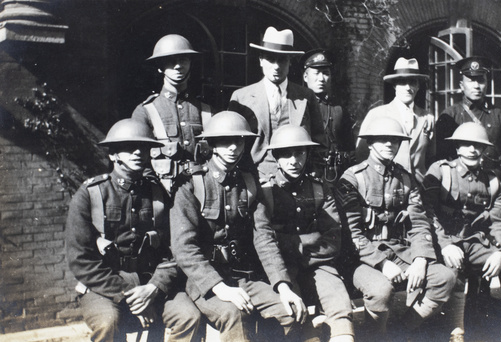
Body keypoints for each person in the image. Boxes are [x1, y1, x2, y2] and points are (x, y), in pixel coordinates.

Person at [170, 111, 308, 342]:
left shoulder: (249, 182)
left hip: (244, 277)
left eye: (239, 140)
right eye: (225, 140)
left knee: (289, 311)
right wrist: (219, 287)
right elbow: (184, 248)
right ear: (213, 144)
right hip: (205, 282)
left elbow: (263, 237)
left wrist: (282, 285)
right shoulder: (192, 183)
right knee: (235, 315)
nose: (233, 147)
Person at [66, 119, 202, 342]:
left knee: (189, 316)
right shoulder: (90, 194)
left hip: (151, 283)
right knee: (107, 322)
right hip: (104, 286)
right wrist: (129, 296)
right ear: (113, 155)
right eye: (129, 147)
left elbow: (175, 248)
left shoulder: (158, 194)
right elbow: (80, 260)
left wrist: (154, 287)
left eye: (144, 147)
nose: (138, 152)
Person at [335, 117, 455, 339]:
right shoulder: (352, 178)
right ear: (370, 143)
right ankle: (375, 336)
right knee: (381, 290)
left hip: (400, 251)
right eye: (382, 140)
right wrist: (382, 263)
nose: (389, 144)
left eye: (394, 140)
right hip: (362, 258)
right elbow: (352, 234)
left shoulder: (406, 179)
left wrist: (420, 259)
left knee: (444, 278)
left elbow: (419, 222)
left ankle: (401, 331)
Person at [422, 122, 501, 342]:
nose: (472, 150)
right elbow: (427, 212)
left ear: (484, 150)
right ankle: (456, 332)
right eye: (466, 145)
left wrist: (500, 251)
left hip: (475, 245)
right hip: (441, 242)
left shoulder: (492, 181)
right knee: (452, 267)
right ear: (457, 148)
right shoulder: (441, 171)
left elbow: (500, 221)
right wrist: (445, 245)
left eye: (478, 146)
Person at [265, 125, 354, 342]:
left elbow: (333, 239)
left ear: (307, 154)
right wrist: (310, 240)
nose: (294, 160)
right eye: (286, 154)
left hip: (319, 266)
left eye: (300, 153)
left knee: (341, 311)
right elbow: (265, 240)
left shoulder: (320, 189)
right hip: (283, 269)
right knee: (294, 316)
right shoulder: (267, 191)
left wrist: (293, 245)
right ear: (276, 158)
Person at [229, 26, 326, 183]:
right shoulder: (241, 97)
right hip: (255, 179)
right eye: (270, 59)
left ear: (290, 62)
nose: (276, 66)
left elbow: (320, 140)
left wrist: (314, 171)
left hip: (297, 182)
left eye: (282, 60)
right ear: (261, 60)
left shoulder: (305, 96)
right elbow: (232, 142)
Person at [435, 56, 501, 209]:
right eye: (471, 80)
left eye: (481, 80)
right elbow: (439, 158)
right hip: (458, 193)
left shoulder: (498, 116)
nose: (476, 86)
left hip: (493, 190)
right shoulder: (450, 116)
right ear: (461, 85)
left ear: (486, 84)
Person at [132, 34, 214, 194]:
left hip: (204, 192)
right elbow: (138, 159)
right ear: (160, 67)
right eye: (171, 61)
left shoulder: (207, 111)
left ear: (190, 63)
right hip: (164, 193)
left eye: (183, 59)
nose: (178, 66)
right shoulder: (146, 111)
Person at [355, 57, 435, 184]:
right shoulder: (377, 114)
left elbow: (432, 157)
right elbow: (361, 153)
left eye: (413, 82)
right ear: (394, 86)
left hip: (420, 189)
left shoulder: (426, 118)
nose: (408, 88)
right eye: (402, 82)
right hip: (387, 186)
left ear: (418, 86)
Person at [299, 49, 355, 183]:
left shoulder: (338, 109)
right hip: (306, 174)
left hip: (335, 174)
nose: (321, 78)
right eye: (317, 73)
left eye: (326, 73)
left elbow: (350, 148)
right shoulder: (298, 106)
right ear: (305, 77)